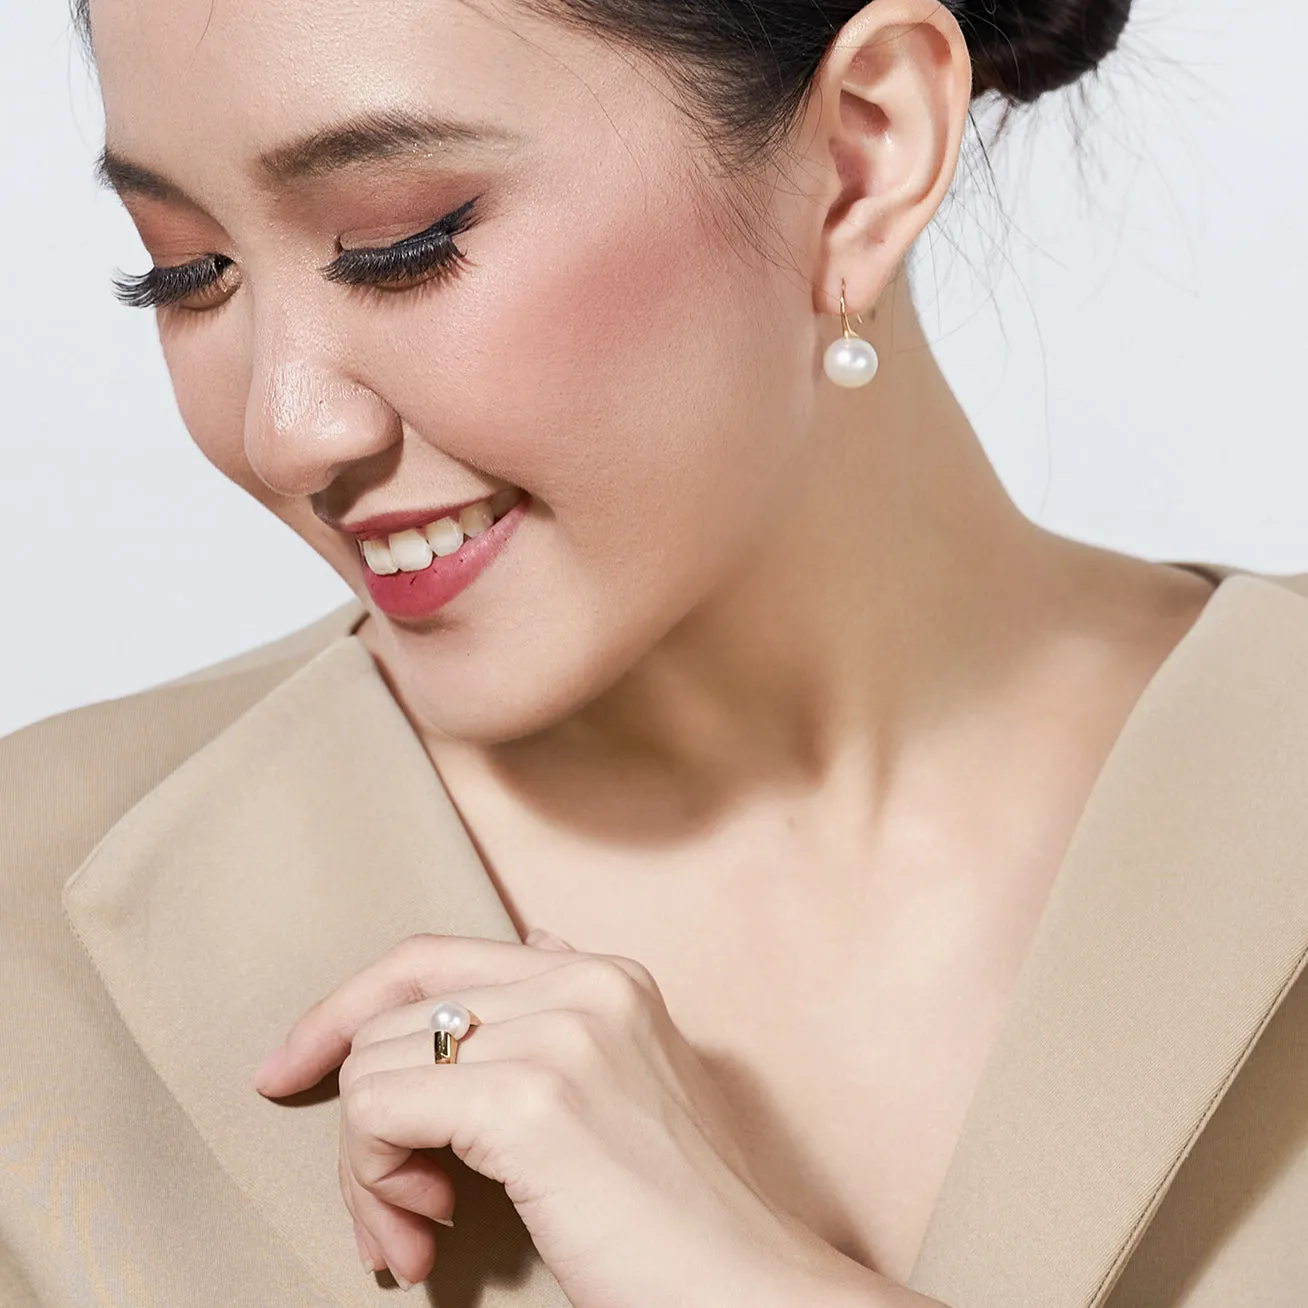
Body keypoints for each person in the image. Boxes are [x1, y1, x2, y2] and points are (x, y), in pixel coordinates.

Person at [4, 0, 1308, 1303]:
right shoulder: (34, 936)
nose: (286, 431)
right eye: (187, 273)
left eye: (402, 244)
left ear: (863, 157)